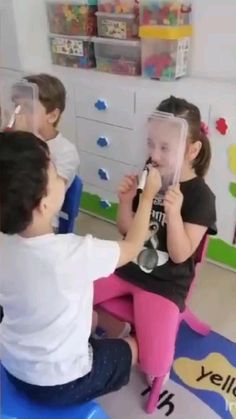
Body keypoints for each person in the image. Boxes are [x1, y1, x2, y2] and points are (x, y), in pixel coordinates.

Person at [0, 131, 161, 405]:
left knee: (90, 318)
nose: (63, 177)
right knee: (135, 348)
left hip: (13, 363)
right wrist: (146, 198)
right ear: (43, 204)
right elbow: (133, 247)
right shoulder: (74, 254)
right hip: (61, 384)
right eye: (56, 175)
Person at [94, 96, 217, 374]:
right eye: (150, 143)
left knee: (155, 366)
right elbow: (127, 232)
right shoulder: (149, 174)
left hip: (165, 284)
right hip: (129, 267)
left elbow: (181, 254)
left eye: (165, 147)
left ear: (192, 150)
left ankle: (136, 339)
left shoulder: (201, 197)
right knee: (73, 295)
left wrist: (173, 215)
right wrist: (126, 201)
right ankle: (122, 329)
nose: (155, 154)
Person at [22, 73, 80, 188]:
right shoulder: (13, 139)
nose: (19, 113)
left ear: (52, 116)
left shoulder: (65, 152)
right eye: (17, 106)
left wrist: (27, 143)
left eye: (28, 108)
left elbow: (46, 194)